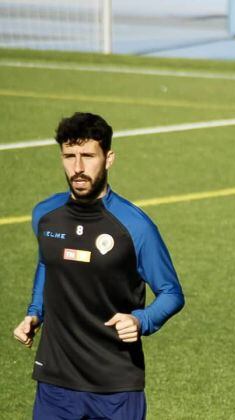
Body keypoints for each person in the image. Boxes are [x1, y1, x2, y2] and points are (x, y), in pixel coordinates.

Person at [12, 112, 185, 420]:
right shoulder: (45, 215)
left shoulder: (135, 227)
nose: (78, 168)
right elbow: (48, 263)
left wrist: (141, 320)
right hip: (56, 382)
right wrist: (34, 312)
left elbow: (171, 292)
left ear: (108, 158)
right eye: (69, 156)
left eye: (88, 156)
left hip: (115, 386)